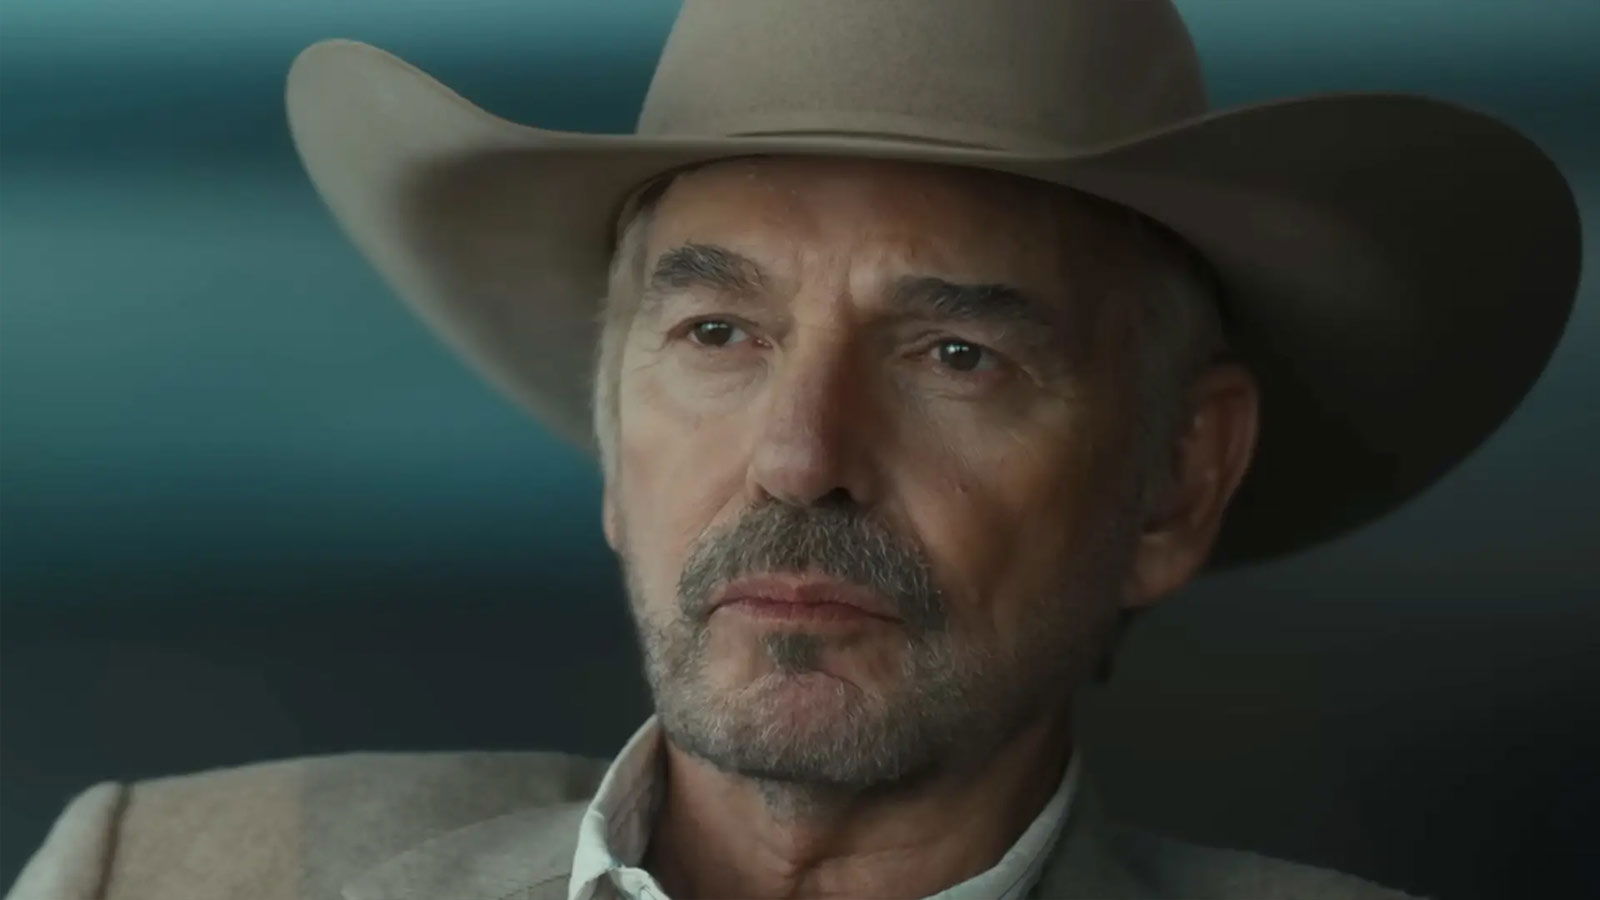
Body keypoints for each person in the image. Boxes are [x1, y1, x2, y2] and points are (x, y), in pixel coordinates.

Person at [8, 1, 1579, 898]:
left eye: (956, 355)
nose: (798, 458)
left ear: (1176, 479)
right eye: (717, 333)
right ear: (614, 441)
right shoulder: (159, 877)